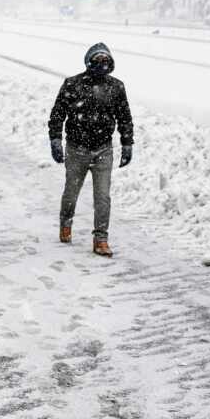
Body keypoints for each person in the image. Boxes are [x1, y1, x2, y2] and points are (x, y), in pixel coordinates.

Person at [48, 42, 134, 258]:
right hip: (77, 148)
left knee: (103, 197)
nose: (101, 65)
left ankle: (101, 239)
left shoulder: (116, 87)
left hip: (103, 149)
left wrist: (127, 143)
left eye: (106, 61)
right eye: (97, 60)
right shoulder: (73, 84)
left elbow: (124, 117)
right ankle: (65, 224)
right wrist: (56, 140)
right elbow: (57, 114)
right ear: (88, 62)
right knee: (71, 192)